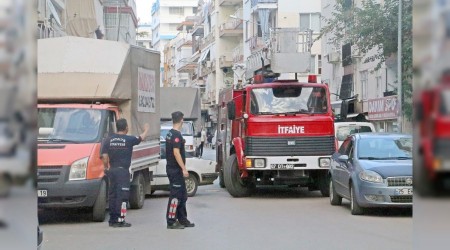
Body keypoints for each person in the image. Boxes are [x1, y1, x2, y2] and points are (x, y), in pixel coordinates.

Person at [101, 119, 149, 228]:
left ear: (117, 128)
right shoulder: (129, 139)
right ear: (126, 128)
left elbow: (104, 156)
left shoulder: (108, 140)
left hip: (112, 170)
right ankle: (120, 219)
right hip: (123, 172)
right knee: (122, 196)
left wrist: (105, 167)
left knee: (112, 195)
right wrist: (146, 129)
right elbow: (141, 137)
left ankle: (112, 220)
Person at [165, 111, 195, 229]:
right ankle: (171, 221)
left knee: (183, 195)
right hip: (175, 170)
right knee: (175, 196)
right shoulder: (176, 135)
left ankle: (182, 219)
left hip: (172, 168)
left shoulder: (170, 133)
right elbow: (176, 152)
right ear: (182, 120)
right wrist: (184, 169)